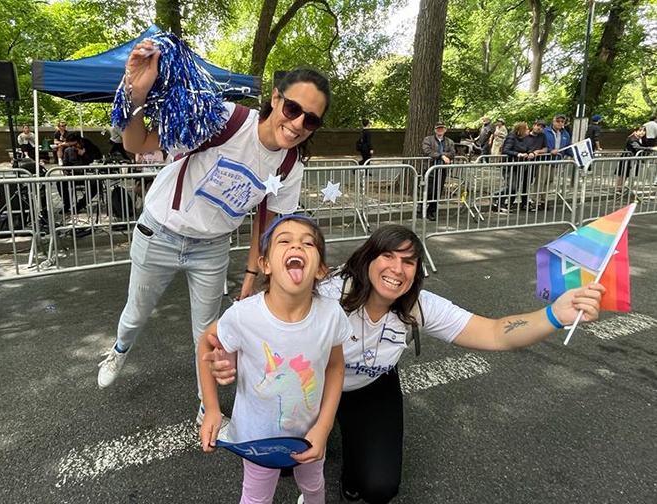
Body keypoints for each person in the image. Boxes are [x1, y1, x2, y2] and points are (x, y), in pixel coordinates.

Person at [206, 224, 605, 504]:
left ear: (417, 272)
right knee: (286, 462)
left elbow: (496, 332)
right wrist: (227, 361)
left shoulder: (418, 306)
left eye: (409, 261)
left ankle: (350, 468)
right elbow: (268, 317)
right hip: (310, 385)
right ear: (366, 259)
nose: (397, 268)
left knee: (378, 487)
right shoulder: (327, 291)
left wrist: (554, 314)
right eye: (387, 256)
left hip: (367, 387)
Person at [96, 36, 332, 403]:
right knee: (135, 314)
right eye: (292, 109)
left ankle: (207, 408)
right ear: (275, 99)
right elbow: (137, 144)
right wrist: (135, 95)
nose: (298, 123)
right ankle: (120, 350)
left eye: (311, 119)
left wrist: (254, 274)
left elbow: (268, 223)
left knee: (207, 333)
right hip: (159, 231)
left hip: (211, 248)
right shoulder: (224, 119)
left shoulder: (290, 164)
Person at [198, 214, 350, 504]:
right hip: (257, 439)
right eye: (285, 241)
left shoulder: (331, 314)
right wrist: (212, 409)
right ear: (265, 264)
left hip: (310, 433)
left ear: (320, 269)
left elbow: (335, 366)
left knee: (314, 486)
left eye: (308, 242)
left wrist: (324, 426)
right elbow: (207, 340)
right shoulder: (244, 315)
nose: (297, 246)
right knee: (256, 497)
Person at [58, 132, 104, 214]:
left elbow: (98, 161)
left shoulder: (92, 148)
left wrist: (84, 155)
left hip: (88, 175)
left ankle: (80, 205)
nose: (73, 148)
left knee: (96, 183)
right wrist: (66, 172)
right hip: (74, 175)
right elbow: (65, 164)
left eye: (75, 145)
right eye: (70, 146)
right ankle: (67, 204)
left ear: (80, 141)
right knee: (60, 183)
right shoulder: (68, 151)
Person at [494, 121, 533, 213]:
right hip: (509, 165)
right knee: (511, 186)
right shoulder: (511, 137)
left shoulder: (525, 138)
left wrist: (531, 152)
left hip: (519, 166)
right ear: (521, 130)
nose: (528, 130)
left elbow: (527, 148)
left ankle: (503, 204)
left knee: (515, 187)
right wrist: (518, 154)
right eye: (526, 129)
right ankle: (495, 196)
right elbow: (506, 150)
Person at [420, 122, 456, 221]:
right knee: (428, 189)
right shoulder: (428, 139)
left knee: (437, 191)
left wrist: (443, 155)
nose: (440, 130)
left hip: (442, 169)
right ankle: (421, 205)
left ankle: (431, 211)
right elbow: (427, 151)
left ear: (445, 130)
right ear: (435, 130)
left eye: (442, 128)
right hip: (430, 168)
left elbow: (452, 153)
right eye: (438, 128)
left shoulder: (449, 141)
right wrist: (441, 156)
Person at [519, 120, 548, 211]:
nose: (539, 128)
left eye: (541, 127)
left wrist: (537, 152)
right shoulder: (525, 135)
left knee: (528, 182)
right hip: (522, 160)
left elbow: (545, 149)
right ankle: (516, 202)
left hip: (534, 162)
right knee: (517, 183)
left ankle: (525, 203)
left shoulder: (542, 136)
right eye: (538, 125)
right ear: (534, 125)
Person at [616, 126, 656, 192]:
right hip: (626, 158)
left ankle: (621, 188)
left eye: (643, 131)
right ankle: (618, 189)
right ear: (635, 131)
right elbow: (637, 147)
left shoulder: (641, 139)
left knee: (626, 174)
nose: (642, 132)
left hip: (632, 159)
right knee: (622, 174)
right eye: (640, 131)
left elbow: (643, 147)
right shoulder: (632, 139)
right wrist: (651, 148)